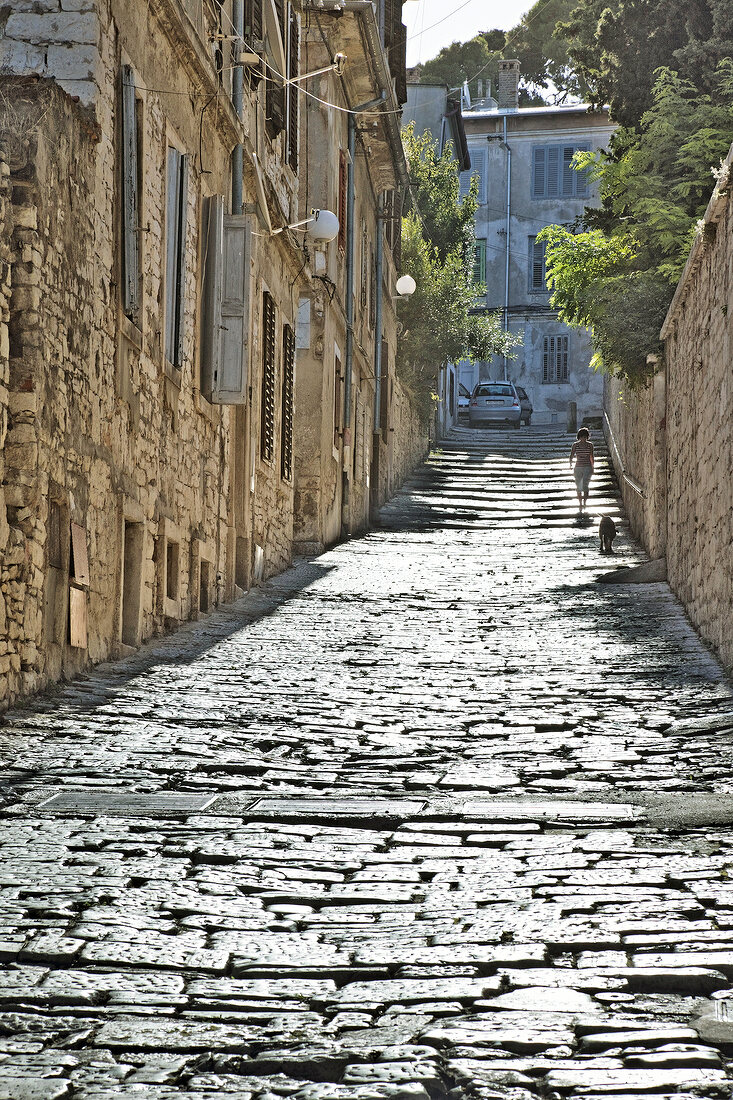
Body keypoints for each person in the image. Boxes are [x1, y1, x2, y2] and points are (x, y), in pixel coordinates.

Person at [570, 427, 594, 512]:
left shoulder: (590, 445)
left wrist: (592, 466)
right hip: (578, 467)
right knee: (579, 486)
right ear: (579, 437)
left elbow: (591, 456)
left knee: (585, 486)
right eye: (581, 437)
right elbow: (572, 455)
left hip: (587, 467)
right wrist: (570, 463)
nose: (583, 439)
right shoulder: (575, 445)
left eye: (584, 437)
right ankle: (580, 503)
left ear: (587, 437)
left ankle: (585, 503)